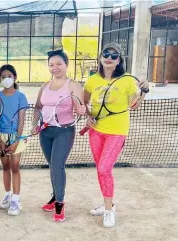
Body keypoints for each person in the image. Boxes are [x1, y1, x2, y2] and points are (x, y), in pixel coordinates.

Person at [84, 42, 149, 228]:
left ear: (119, 60)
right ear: (101, 56)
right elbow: (84, 104)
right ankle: (108, 203)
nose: (109, 58)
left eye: (114, 56)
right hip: (96, 131)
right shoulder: (92, 80)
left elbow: (133, 105)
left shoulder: (127, 80)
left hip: (117, 131)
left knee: (104, 168)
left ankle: (108, 210)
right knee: (100, 169)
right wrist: (88, 117)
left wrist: (143, 92)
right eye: (106, 54)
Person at [35, 49, 86, 222]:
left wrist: (82, 109)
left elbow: (81, 108)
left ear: (66, 64)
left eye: (58, 64)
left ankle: (60, 202)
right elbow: (37, 107)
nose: (54, 67)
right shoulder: (44, 85)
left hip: (64, 131)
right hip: (45, 132)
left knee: (57, 166)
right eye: (51, 64)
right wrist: (36, 124)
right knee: (52, 166)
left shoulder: (73, 85)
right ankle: (55, 195)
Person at [0, 64, 28, 216]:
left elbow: (21, 120)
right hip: (0, 136)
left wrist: (16, 141)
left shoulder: (21, 96)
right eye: (2, 77)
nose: (6, 79)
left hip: (16, 136)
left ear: (15, 78)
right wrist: (0, 140)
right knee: (5, 166)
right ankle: (7, 195)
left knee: (15, 166)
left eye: (9, 76)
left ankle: (16, 199)